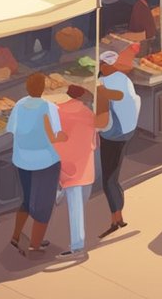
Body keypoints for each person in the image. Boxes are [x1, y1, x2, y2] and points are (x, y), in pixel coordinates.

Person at [7, 72, 65, 256]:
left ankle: (16, 236)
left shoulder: (19, 104)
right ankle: (35, 245)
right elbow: (55, 135)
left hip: (22, 160)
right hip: (45, 162)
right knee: (43, 205)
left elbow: (12, 129)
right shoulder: (49, 107)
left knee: (26, 200)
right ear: (43, 88)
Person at [97, 50, 139, 239]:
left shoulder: (104, 84)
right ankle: (119, 216)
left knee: (108, 179)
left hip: (114, 134)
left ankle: (116, 218)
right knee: (115, 175)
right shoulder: (124, 79)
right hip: (128, 131)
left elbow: (102, 118)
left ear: (105, 66)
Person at [55, 85, 98, 259]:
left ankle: (78, 248)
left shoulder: (58, 110)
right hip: (82, 163)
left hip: (62, 159)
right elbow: (93, 141)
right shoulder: (88, 115)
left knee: (74, 203)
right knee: (77, 202)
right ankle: (77, 246)